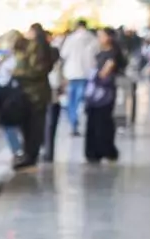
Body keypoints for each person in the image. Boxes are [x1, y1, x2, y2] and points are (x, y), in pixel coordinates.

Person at [11, 24, 56, 168]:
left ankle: (30, 155)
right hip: (33, 94)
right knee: (31, 127)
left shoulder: (38, 47)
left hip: (34, 94)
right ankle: (29, 154)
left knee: (33, 127)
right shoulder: (36, 47)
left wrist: (18, 75)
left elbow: (37, 70)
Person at [85, 28, 126, 164]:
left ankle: (104, 150)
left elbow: (104, 73)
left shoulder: (112, 55)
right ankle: (95, 151)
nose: (99, 39)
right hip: (96, 93)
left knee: (103, 122)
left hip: (104, 93)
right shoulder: (100, 53)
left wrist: (95, 75)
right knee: (94, 121)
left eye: (101, 36)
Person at [60, 19, 100, 136]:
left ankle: (74, 123)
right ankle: (82, 120)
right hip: (87, 73)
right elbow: (96, 55)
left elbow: (63, 54)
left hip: (72, 73)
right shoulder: (93, 39)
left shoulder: (70, 39)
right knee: (82, 99)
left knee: (71, 100)